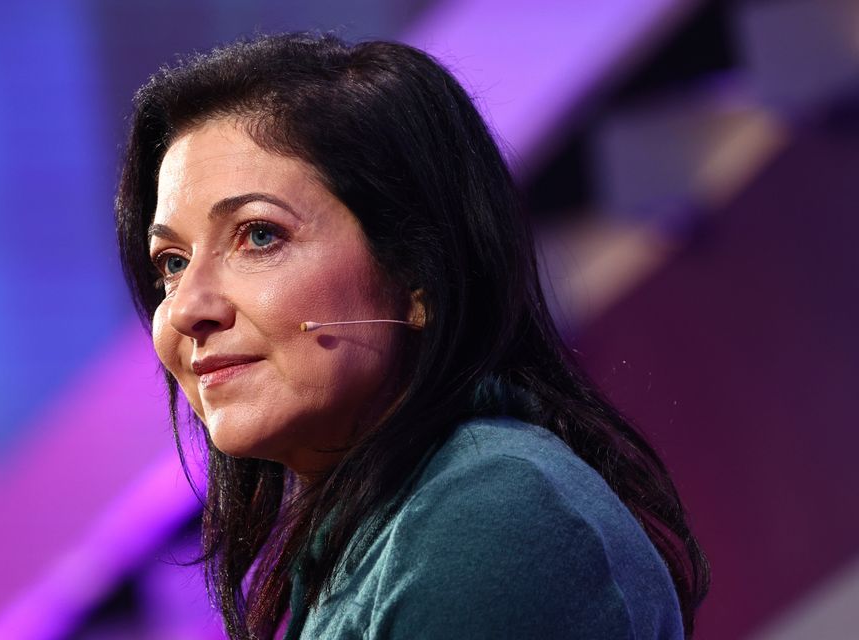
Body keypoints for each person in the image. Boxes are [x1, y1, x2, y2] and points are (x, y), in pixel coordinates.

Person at [115, 32, 710, 640]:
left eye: (259, 235)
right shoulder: (375, 542)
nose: (186, 309)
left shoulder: (491, 516)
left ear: (417, 278)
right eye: (172, 263)